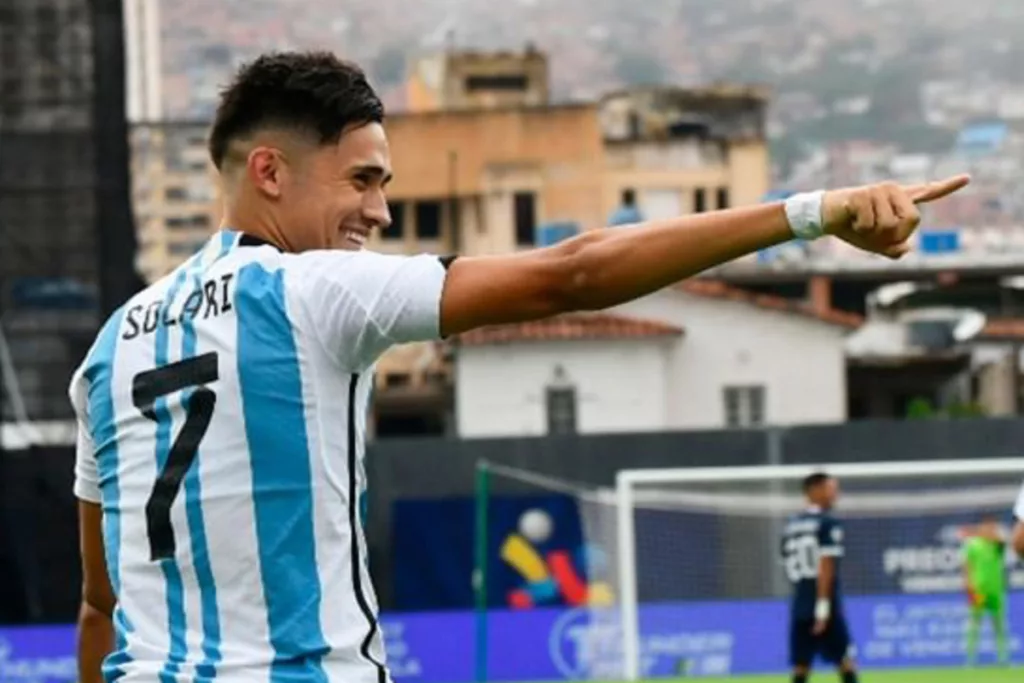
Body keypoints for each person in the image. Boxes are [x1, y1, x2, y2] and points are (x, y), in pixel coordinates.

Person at [70, 50, 969, 683]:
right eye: (363, 180)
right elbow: (570, 273)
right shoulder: (313, 293)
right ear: (269, 171)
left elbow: (100, 609)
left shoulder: (108, 351)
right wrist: (813, 212)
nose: (380, 213)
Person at [780, 472, 858, 683]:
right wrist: (823, 607)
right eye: (831, 489)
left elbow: (786, 562)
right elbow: (826, 565)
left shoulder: (790, 525)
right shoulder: (828, 523)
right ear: (814, 490)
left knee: (801, 665)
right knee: (845, 659)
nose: (835, 495)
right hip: (824, 601)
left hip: (800, 601)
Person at [960, 514, 1010, 666]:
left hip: (996, 590)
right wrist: (968, 585)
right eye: (987, 527)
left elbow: (1004, 543)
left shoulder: (997, 544)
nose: (990, 530)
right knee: (974, 624)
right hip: (978, 590)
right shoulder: (973, 545)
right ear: (982, 527)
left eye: (992, 527)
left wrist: (991, 535)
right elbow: (967, 566)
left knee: (999, 626)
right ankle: (970, 659)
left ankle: (1003, 658)